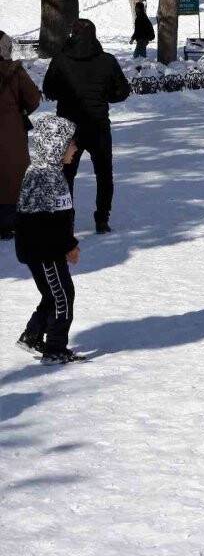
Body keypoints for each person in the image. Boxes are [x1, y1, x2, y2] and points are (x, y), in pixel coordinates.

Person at [42, 19, 130, 234]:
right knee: (103, 173)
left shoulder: (61, 60)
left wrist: (67, 94)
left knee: (66, 175)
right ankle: (102, 219)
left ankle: (66, 219)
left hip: (68, 126)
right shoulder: (106, 61)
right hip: (98, 124)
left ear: (73, 34)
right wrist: (104, 95)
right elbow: (122, 91)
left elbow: (49, 90)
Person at [14, 115, 85, 365]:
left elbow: (57, 215)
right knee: (63, 295)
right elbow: (46, 222)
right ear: (56, 145)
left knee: (52, 295)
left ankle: (32, 335)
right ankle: (55, 348)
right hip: (46, 251)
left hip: (46, 248)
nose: (76, 148)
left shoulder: (50, 172)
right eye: (71, 143)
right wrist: (69, 246)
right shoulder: (45, 176)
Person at [0, 30, 42, 240]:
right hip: (11, 133)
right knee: (12, 175)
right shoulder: (15, 72)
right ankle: (9, 223)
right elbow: (34, 98)